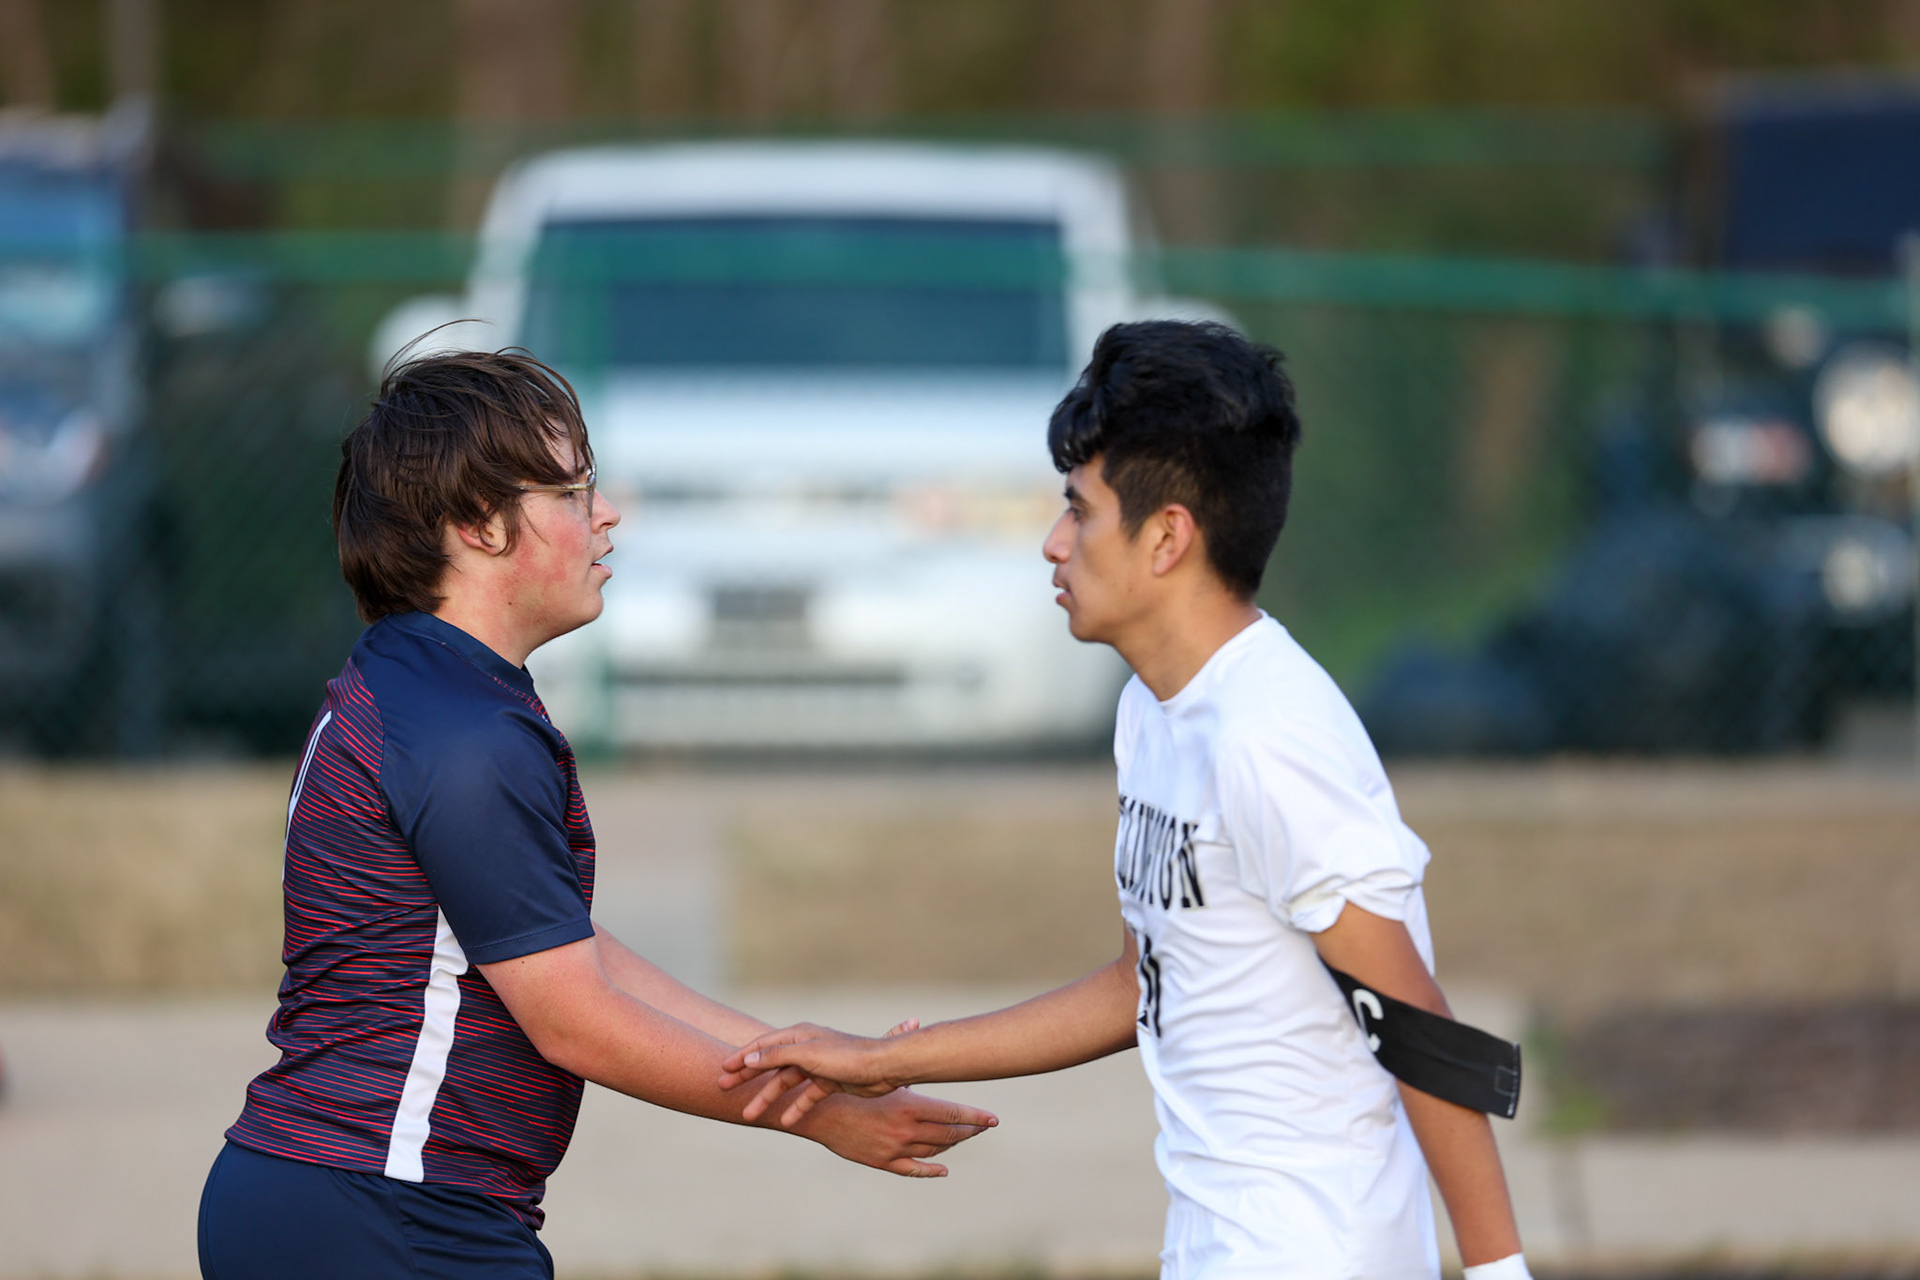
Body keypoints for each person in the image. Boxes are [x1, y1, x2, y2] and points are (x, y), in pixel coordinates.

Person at [721, 321, 1530, 1280]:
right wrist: (889, 1055)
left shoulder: (1270, 737)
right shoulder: (1155, 708)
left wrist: (1496, 1272)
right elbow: (1142, 983)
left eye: (1080, 510)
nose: (1054, 544)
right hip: (1213, 1239)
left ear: (1167, 538)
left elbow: (1417, 1026)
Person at [198, 349, 996, 1280]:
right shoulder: (465, 732)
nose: (607, 513)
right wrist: (820, 1112)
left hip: (331, 1195)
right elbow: (574, 1021)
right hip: (389, 1209)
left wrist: (795, 1057)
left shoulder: (414, 680)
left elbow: (563, 948)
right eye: (574, 490)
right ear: (475, 524)